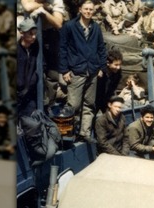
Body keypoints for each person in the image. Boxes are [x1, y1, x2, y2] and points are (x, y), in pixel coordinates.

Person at [59, 0, 107, 141]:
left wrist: (101, 67)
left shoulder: (96, 28)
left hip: (92, 70)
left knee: (89, 104)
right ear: (80, 9)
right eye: (85, 9)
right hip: (76, 70)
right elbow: (62, 49)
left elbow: (101, 49)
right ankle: (69, 134)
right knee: (73, 105)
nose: (88, 12)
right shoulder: (69, 26)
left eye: (90, 10)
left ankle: (84, 133)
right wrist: (65, 70)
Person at [21, 0, 66, 108]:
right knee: (31, 71)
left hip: (50, 36)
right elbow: (27, 7)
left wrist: (44, 12)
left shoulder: (56, 1)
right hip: (30, 35)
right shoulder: (44, 3)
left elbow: (58, 23)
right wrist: (44, 5)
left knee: (52, 74)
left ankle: (48, 106)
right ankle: (30, 105)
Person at [17, 17, 40, 117]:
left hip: (29, 93)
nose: (34, 37)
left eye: (35, 33)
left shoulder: (35, 47)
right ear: (22, 33)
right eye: (30, 34)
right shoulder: (17, 50)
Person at [95, 49, 124, 115]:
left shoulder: (118, 73)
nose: (118, 67)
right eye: (116, 65)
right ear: (108, 63)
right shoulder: (101, 72)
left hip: (106, 99)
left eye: (119, 65)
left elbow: (113, 87)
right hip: (96, 98)